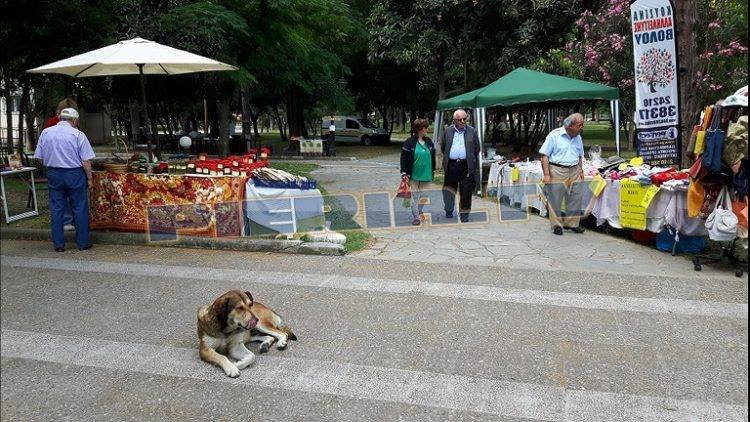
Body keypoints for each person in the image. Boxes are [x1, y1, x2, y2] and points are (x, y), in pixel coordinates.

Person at [34, 108, 96, 252]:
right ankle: (82, 243)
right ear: (74, 120)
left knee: (56, 208)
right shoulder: (78, 134)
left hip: (54, 173)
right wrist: (90, 178)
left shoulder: (46, 133)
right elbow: (86, 161)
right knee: (79, 208)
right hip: (74, 173)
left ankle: (59, 244)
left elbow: (40, 157)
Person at [539, 113, 586, 235]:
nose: (582, 127)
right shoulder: (554, 136)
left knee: (576, 197)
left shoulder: (578, 137)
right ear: (570, 126)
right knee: (555, 199)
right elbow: (544, 156)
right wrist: (546, 175)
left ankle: (572, 224)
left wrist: (581, 170)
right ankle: (556, 225)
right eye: (580, 125)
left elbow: (580, 155)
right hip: (557, 169)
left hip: (574, 169)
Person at [43, 98, 78, 231]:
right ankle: (68, 220)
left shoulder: (71, 124)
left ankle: (71, 221)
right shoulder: (53, 123)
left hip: (58, 166)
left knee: (64, 198)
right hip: (65, 166)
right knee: (64, 198)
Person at [441, 109, 480, 222]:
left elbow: (476, 148)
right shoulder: (447, 131)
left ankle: (464, 214)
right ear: (454, 120)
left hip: (466, 165)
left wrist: (470, 158)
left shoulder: (472, 131)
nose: (462, 121)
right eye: (459, 120)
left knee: (466, 191)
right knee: (449, 189)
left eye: (464, 119)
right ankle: (448, 209)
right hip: (452, 164)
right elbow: (444, 147)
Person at [400, 118, 436, 225]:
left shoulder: (429, 141)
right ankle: (416, 217)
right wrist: (404, 172)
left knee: (425, 195)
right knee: (415, 197)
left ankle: (420, 209)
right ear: (420, 129)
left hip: (427, 174)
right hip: (414, 175)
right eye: (425, 127)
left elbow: (433, 156)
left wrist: (434, 170)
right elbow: (404, 158)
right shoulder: (409, 142)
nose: (427, 129)